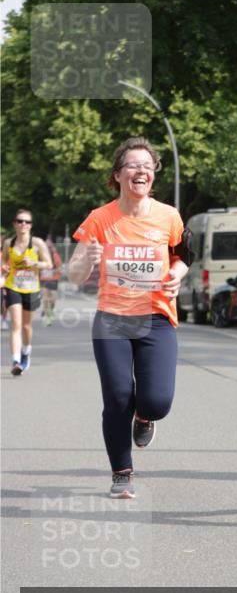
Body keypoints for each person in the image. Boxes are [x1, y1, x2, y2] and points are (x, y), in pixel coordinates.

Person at [68, 137, 193, 499]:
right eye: (133, 166)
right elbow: (75, 275)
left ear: (153, 176)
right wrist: (88, 259)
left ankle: (145, 417)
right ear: (118, 175)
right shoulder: (99, 219)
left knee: (157, 401)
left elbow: (184, 254)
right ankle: (122, 471)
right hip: (113, 318)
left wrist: (178, 274)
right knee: (119, 395)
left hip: (156, 316)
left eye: (147, 166)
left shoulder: (168, 216)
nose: (141, 171)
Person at [1, 210, 52, 375]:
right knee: (15, 324)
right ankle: (16, 360)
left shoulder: (37, 243)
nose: (23, 224)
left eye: (27, 222)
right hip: (13, 286)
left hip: (31, 288)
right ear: (14, 223)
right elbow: (3, 259)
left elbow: (49, 264)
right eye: (20, 221)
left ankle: (26, 351)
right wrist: (4, 266)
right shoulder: (9, 243)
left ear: (31, 225)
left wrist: (34, 263)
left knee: (26, 326)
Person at [41, 237, 62, 325]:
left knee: (53, 299)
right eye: (46, 245)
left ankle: (50, 310)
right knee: (46, 298)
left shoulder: (55, 256)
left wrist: (52, 271)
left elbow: (59, 268)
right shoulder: (41, 255)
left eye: (49, 245)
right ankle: (47, 316)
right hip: (44, 279)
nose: (47, 246)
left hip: (54, 279)